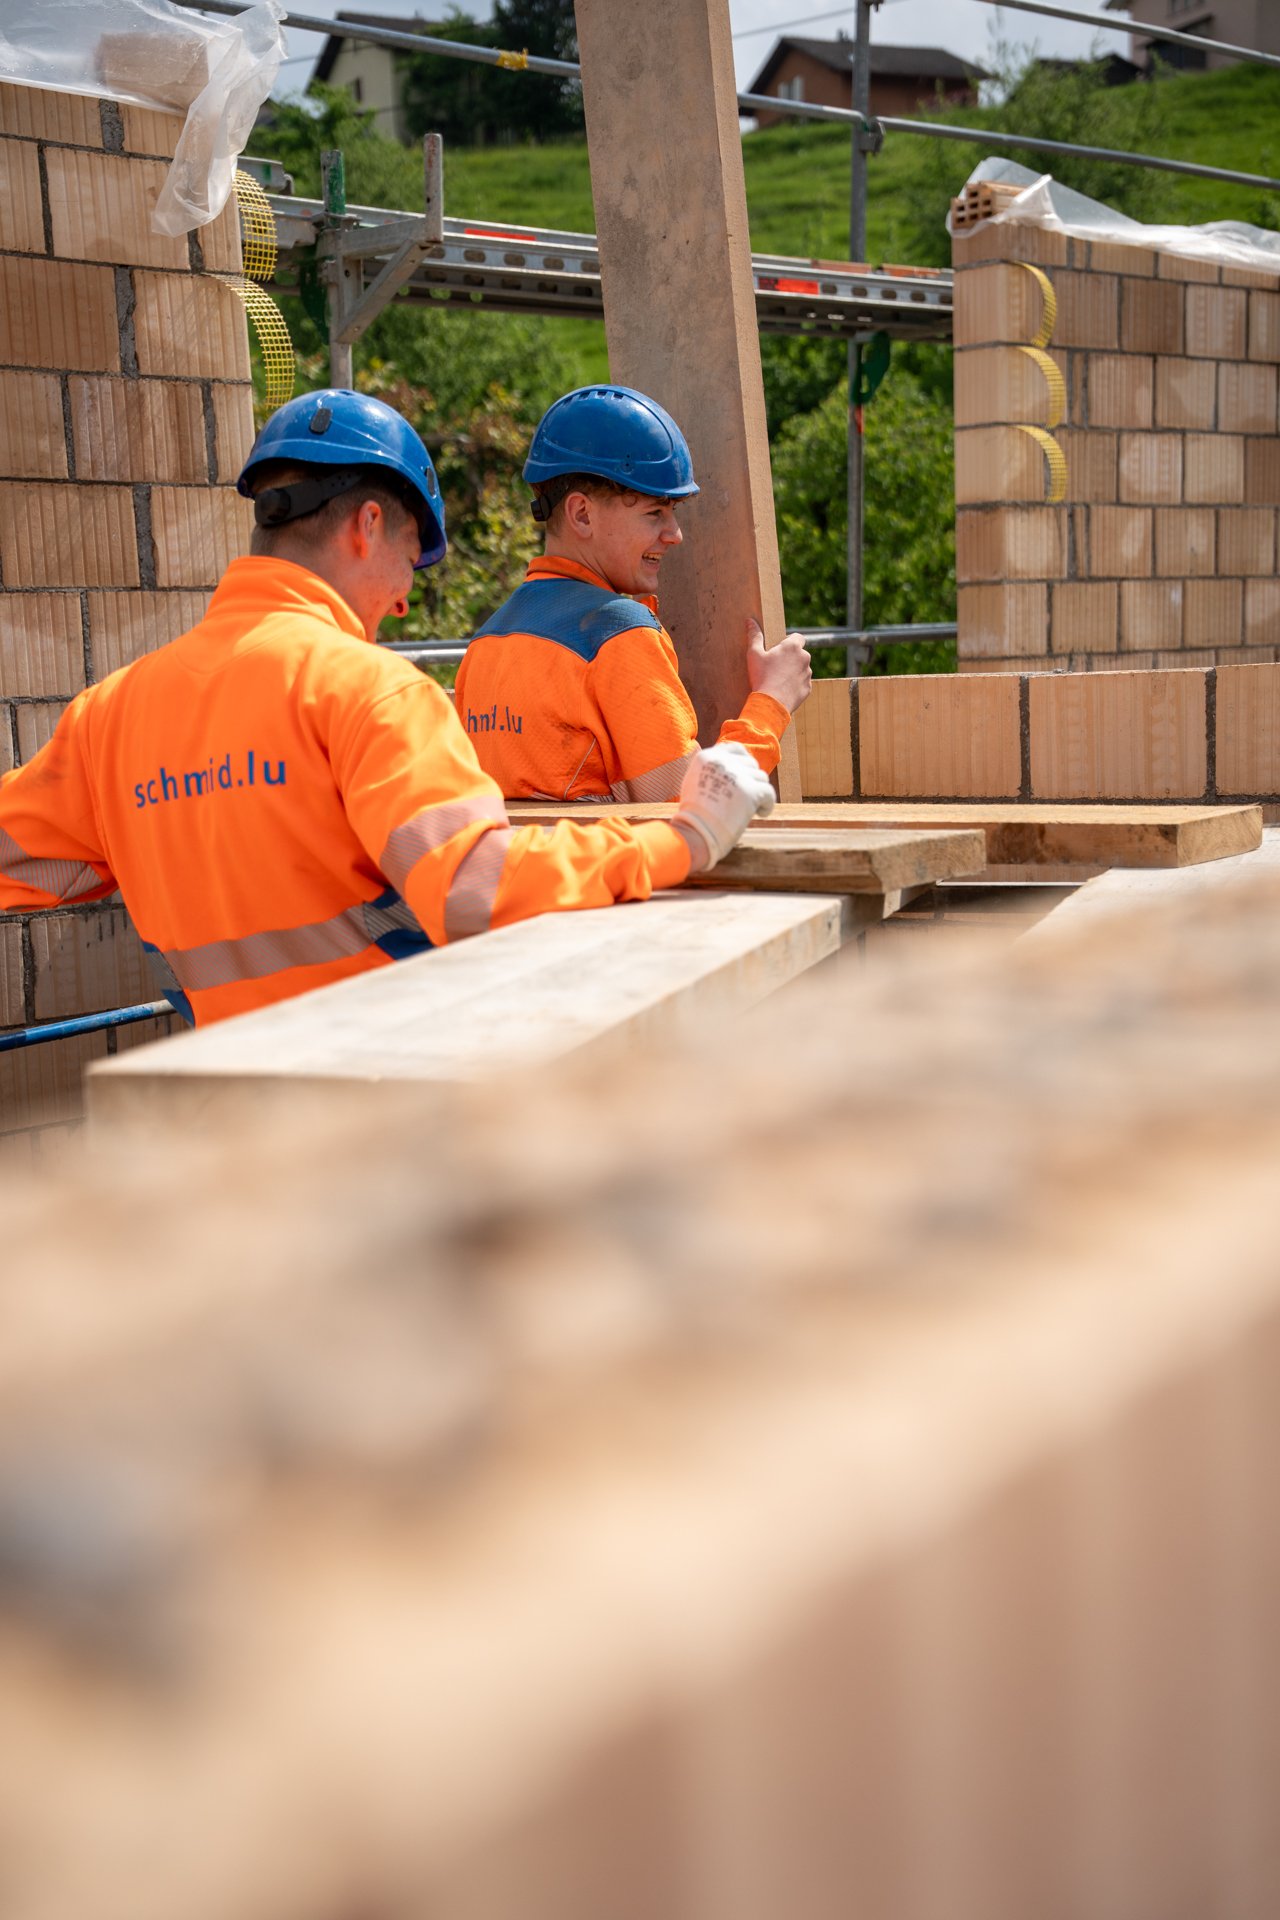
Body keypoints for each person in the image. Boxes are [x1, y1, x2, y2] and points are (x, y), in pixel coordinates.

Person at [0, 390, 776, 1028]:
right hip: (381, 1094)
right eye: (412, 559)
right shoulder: (369, 691)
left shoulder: (107, 717)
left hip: (222, 1110)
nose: (405, 601)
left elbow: (32, 861)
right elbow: (473, 890)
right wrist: (684, 839)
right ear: (369, 527)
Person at [454, 384, 812, 803]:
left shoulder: (486, 642)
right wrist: (773, 700)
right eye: (654, 513)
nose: (674, 535)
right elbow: (693, 808)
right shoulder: (618, 634)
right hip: (599, 868)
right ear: (582, 514)